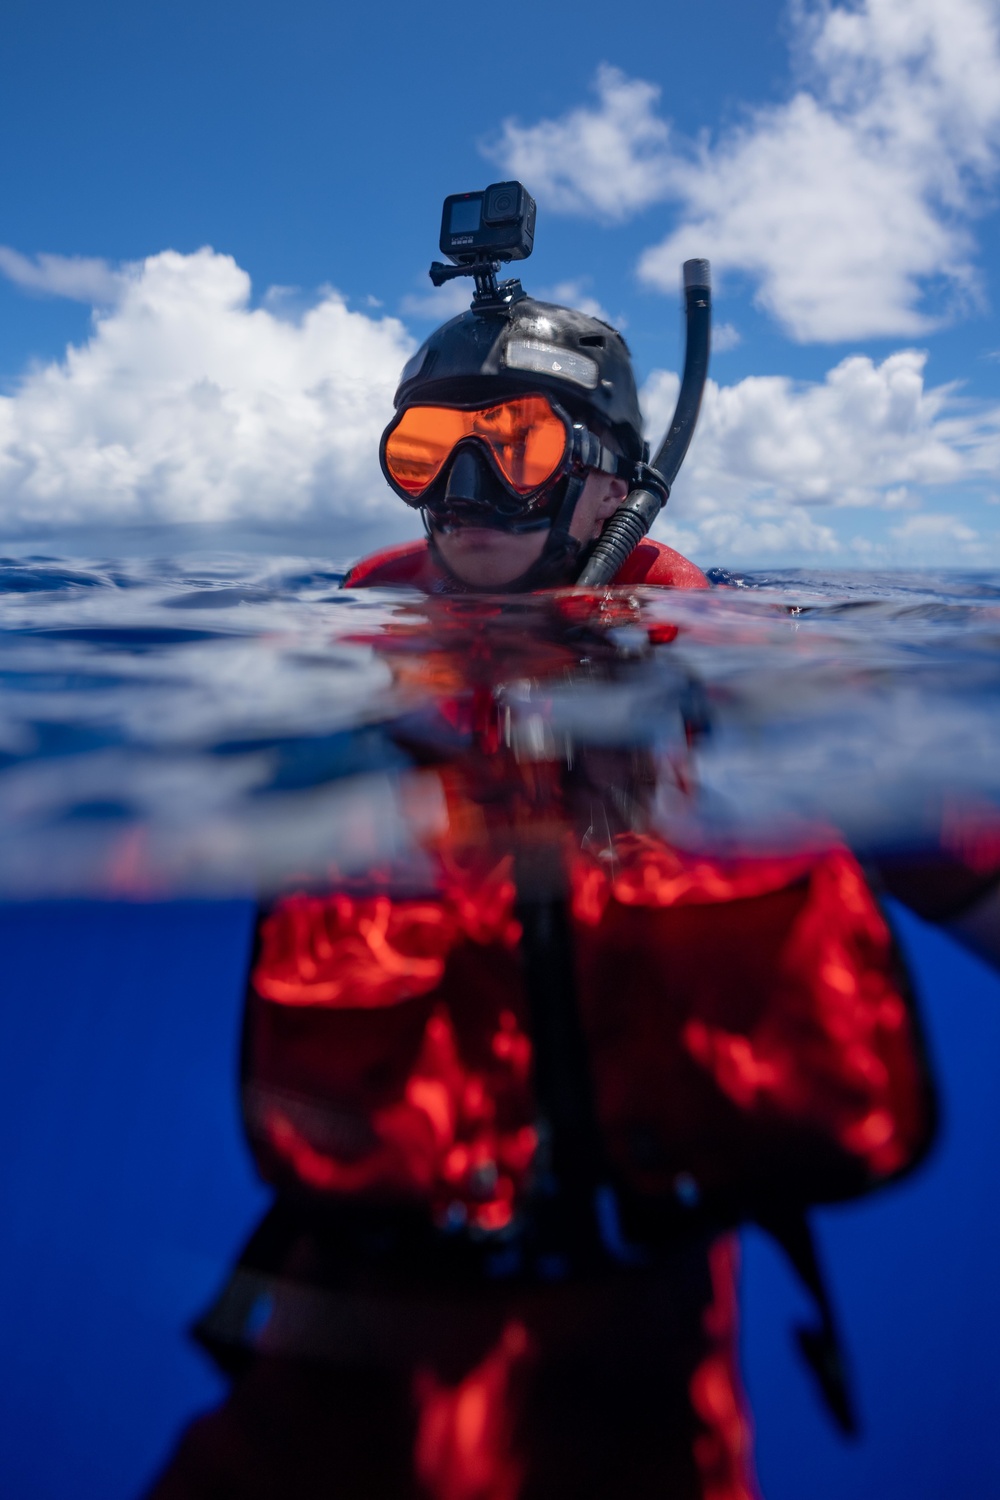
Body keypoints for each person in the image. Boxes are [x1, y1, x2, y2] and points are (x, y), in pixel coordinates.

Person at [149, 295, 936, 1500]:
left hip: (644, 1369)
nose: (461, 489)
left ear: (611, 485)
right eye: (426, 449)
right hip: (336, 1355)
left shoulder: (734, 657)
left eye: (511, 447)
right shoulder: (340, 653)